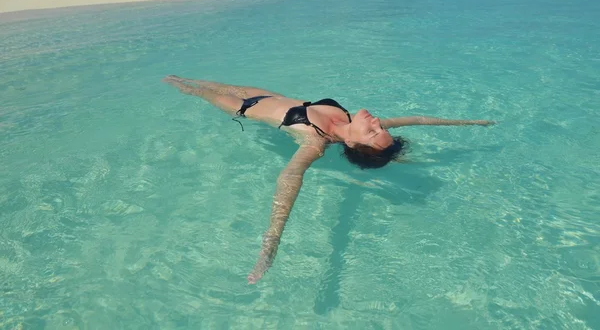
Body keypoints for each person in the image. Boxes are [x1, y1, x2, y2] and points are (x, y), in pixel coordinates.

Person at [163, 75, 495, 284]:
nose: (378, 122)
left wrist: (270, 246)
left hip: (243, 109)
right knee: (199, 79)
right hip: (267, 93)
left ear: (353, 144)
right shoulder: (352, 122)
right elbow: (418, 119)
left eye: (374, 131)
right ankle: (171, 77)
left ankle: (166, 81)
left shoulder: (315, 143)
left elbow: (289, 178)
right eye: (382, 128)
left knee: (190, 90)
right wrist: (470, 122)